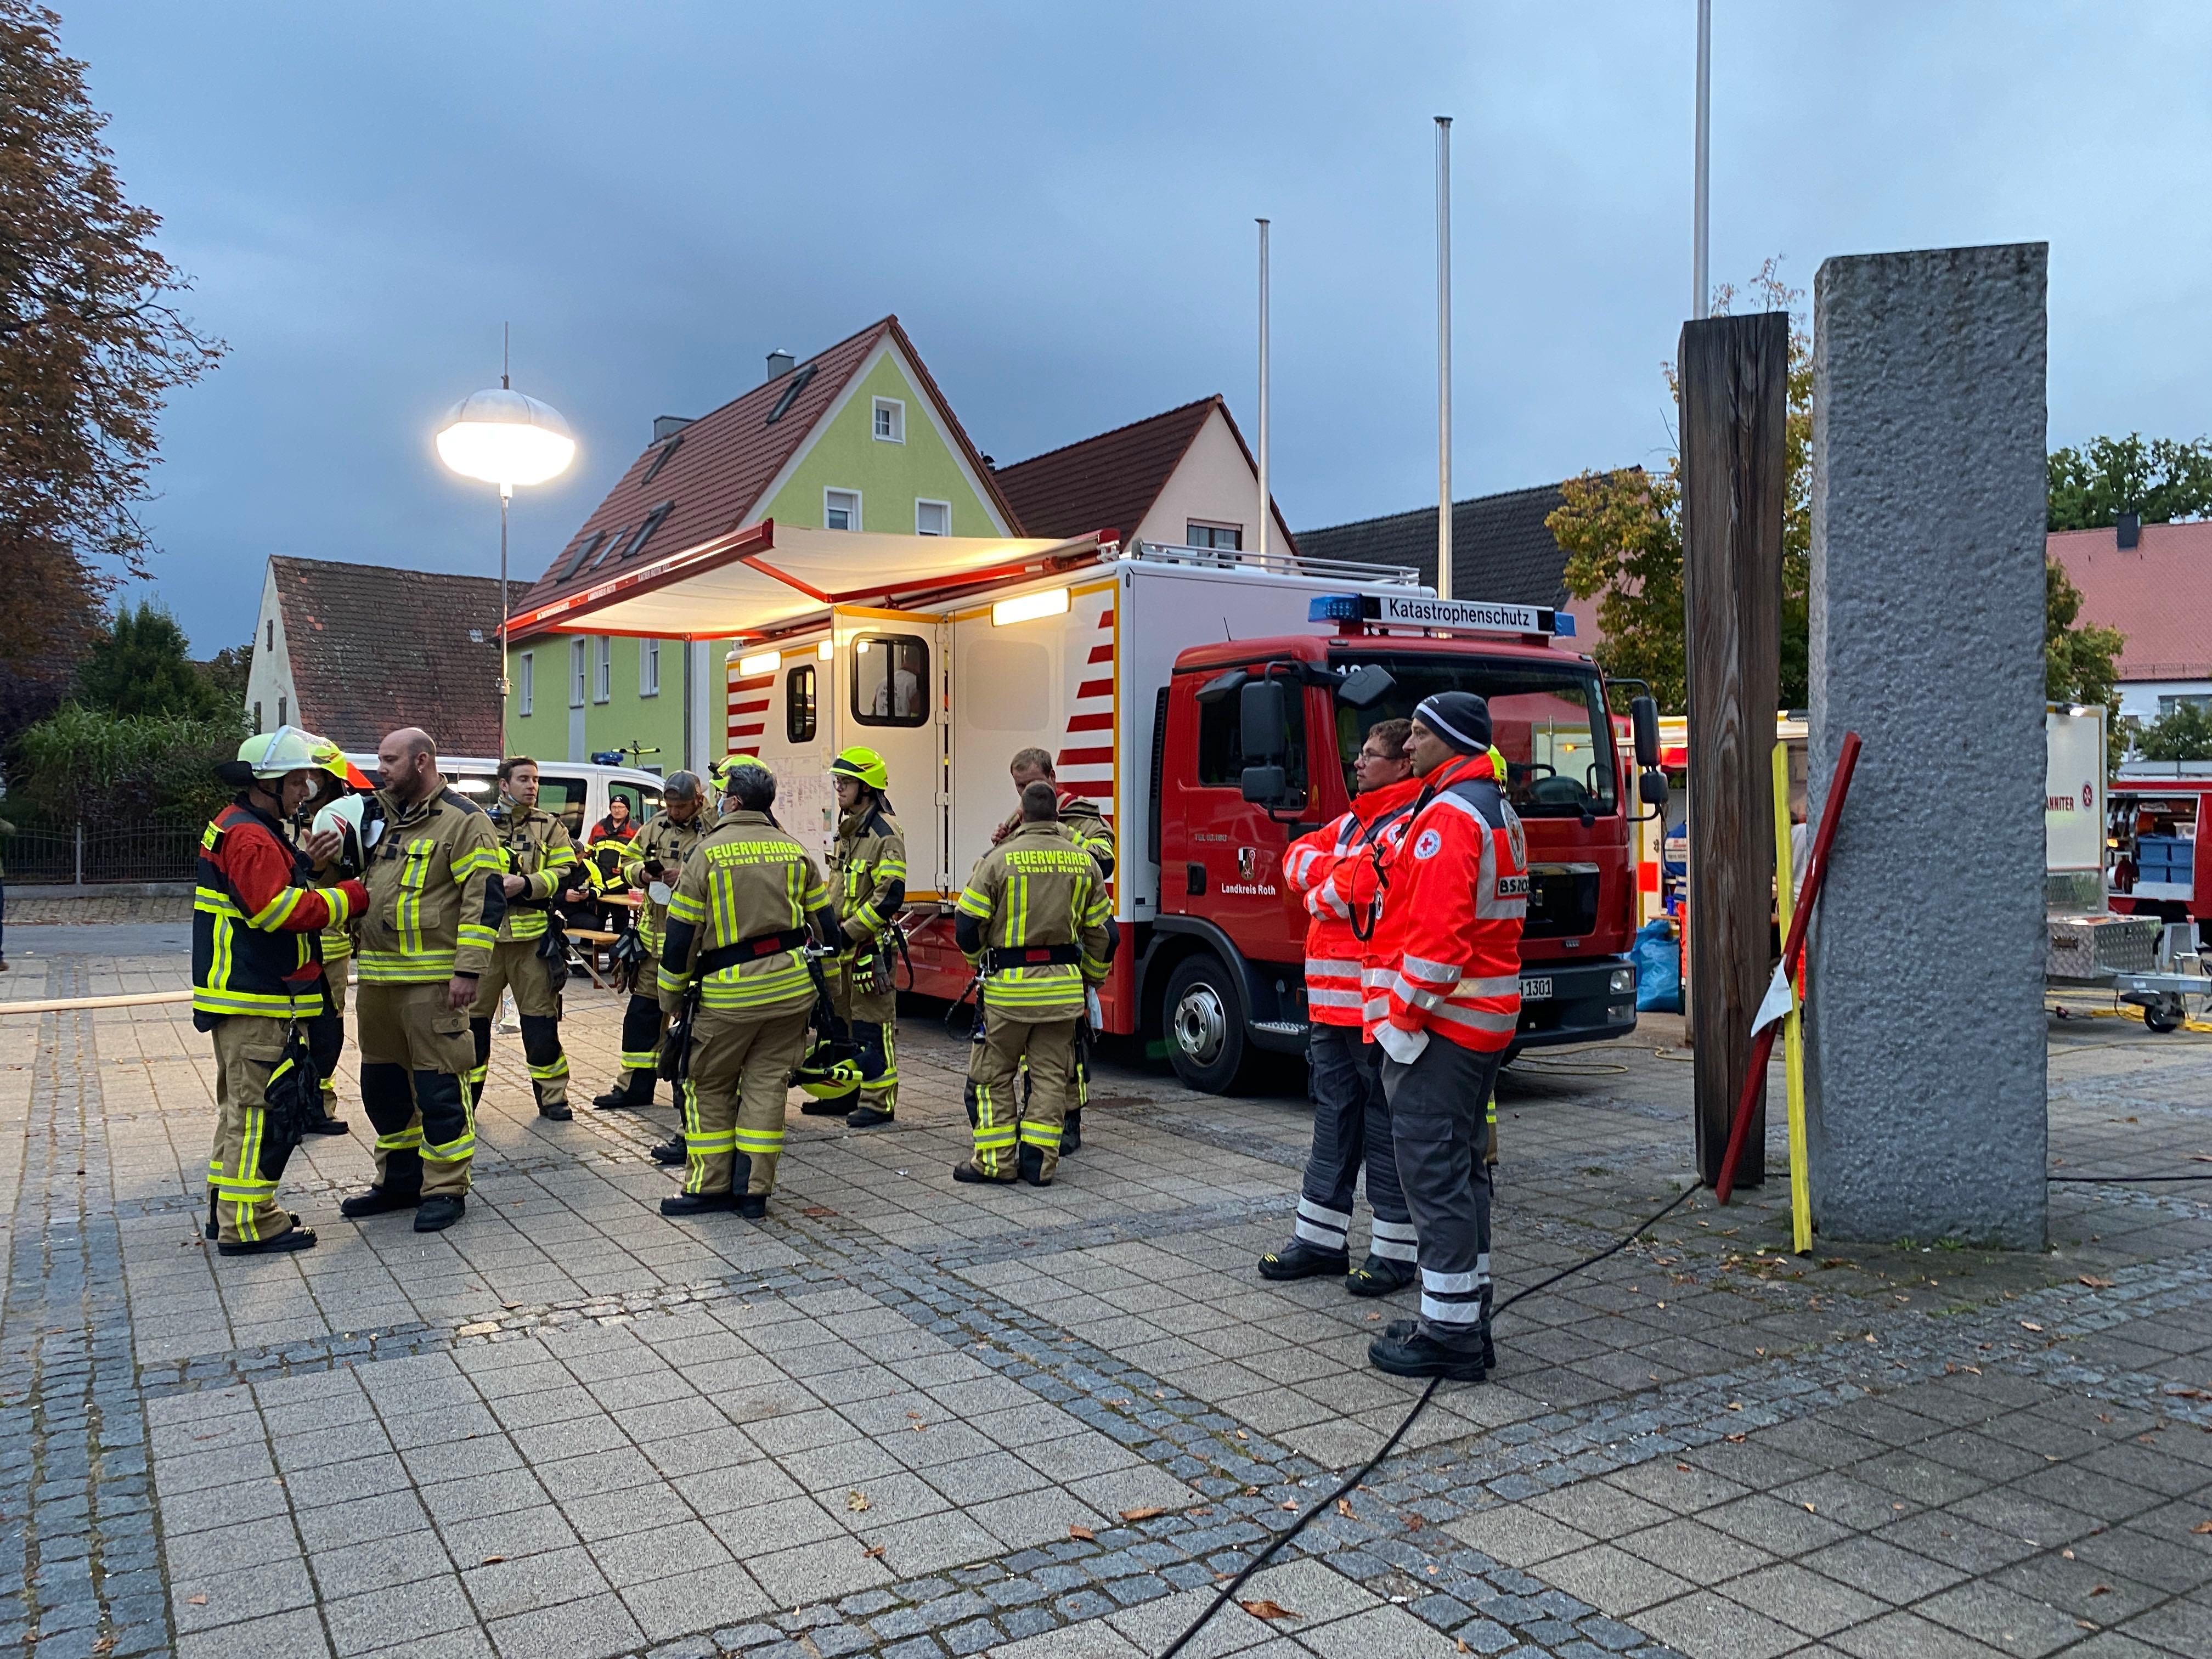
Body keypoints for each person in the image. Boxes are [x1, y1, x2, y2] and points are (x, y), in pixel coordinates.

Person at [1364, 693, 1527, 1382]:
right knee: (1463, 1174)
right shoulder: (1495, 809)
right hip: (1482, 1022)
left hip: (1445, 1028)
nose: (1410, 748)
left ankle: (1450, 1339)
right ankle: (1463, 1317)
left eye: (1421, 736)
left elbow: (1437, 944)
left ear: (1452, 741)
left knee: (1433, 1178)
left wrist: (1400, 1024)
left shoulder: (1450, 818)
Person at [1259, 718, 1425, 1294]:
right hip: (1332, 1009)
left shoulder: (1411, 819)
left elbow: (1365, 886)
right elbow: (1294, 862)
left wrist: (1325, 886)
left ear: (1402, 763)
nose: (1357, 763)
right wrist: (1332, 880)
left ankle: (1395, 1255)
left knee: (1383, 1128)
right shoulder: (1358, 819)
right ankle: (1320, 1242)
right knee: (1333, 1122)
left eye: (1369, 756)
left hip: (1376, 1010)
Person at [191, 728, 370, 1255]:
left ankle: (226, 1211)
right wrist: (350, 897)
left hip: (239, 993)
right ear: (267, 784)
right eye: (297, 782)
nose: (305, 792)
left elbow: (269, 886)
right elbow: (276, 911)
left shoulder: (242, 827)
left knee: (237, 1108)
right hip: (255, 994)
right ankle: (249, 1223)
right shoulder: (250, 836)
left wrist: (306, 866)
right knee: (256, 1112)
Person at [655, 754, 838, 1219]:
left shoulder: (706, 854)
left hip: (730, 996)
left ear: (733, 801)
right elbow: (828, 929)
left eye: (720, 796)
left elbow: (680, 936)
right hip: (792, 992)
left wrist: (670, 998)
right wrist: (828, 995)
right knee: (767, 1087)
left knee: (708, 1084)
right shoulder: (793, 849)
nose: (716, 803)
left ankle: (709, 1186)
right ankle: (753, 1192)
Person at [342, 727, 504, 1233]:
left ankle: (445, 1188)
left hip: (435, 985)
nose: (380, 770)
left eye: (390, 760)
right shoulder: (382, 821)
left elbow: (486, 898)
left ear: (422, 762)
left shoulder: (465, 822)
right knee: (383, 1089)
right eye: (380, 760)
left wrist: (468, 970)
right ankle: (399, 1181)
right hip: (378, 983)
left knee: (439, 1092)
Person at [953, 781, 1114, 1187]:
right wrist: (1091, 978)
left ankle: (994, 1161)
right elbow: (1105, 935)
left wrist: (980, 965)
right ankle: (1039, 1163)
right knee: (1049, 1078)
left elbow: (967, 925)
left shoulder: (997, 860)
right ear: (1058, 818)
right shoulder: (1084, 863)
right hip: (1061, 992)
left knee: (992, 1076)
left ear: (1021, 816)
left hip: (1008, 991)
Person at [991, 747, 1115, 1152]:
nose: (1023, 793)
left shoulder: (1082, 815)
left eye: (1030, 785)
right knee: (1034, 1050)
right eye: (1018, 786)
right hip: (1025, 942)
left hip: (1068, 941)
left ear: (1052, 778)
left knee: (1068, 1047)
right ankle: (1038, 1124)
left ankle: (1069, 1122)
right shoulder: (1018, 820)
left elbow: (1105, 860)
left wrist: (1054, 831)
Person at [593, 772, 709, 1137]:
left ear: (698, 802)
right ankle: (634, 1087)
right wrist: (643, 874)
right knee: (642, 1018)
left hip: (695, 944)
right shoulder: (654, 827)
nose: (673, 813)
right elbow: (625, 864)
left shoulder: (714, 828)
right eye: (669, 806)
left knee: (689, 1024)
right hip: (653, 942)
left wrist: (686, 877)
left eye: (680, 806)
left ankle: (687, 1095)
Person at [467, 757, 582, 1122]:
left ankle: (553, 1098)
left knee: (541, 1025)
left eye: (535, 780)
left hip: (533, 941)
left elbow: (566, 871)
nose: (532, 786)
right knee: (471, 1026)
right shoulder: (477, 823)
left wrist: (528, 884)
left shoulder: (550, 826)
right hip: (484, 940)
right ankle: (463, 1099)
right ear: (504, 784)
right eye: (523, 780)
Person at [806, 747, 906, 1127]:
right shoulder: (851, 829)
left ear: (867, 787)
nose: (839, 788)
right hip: (841, 949)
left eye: (845, 782)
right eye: (838, 781)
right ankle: (844, 1093)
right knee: (840, 1026)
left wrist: (849, 933)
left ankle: (879, 1102)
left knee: (871, 1027)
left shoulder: (884, 833)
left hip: (867, 948)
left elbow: (890, 895)